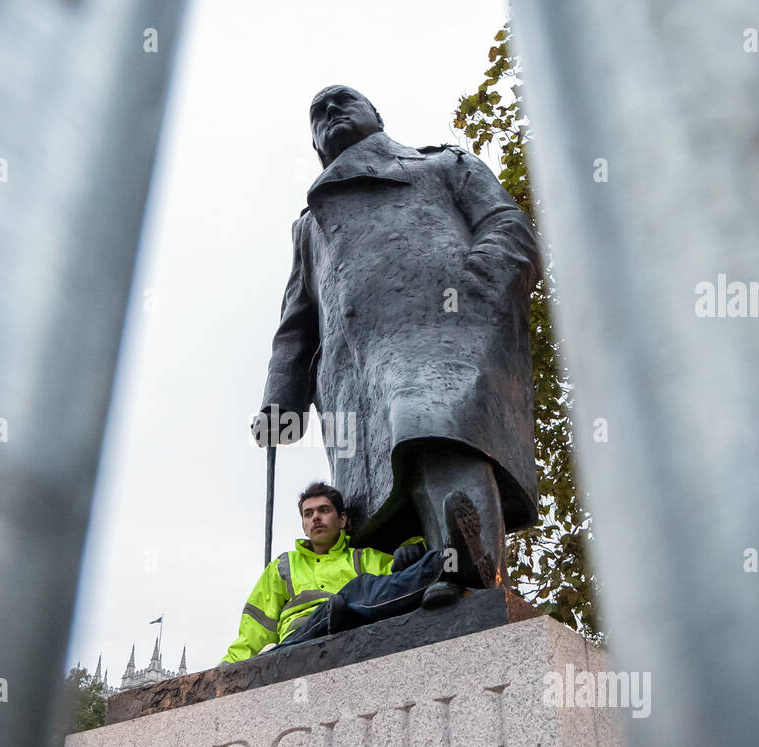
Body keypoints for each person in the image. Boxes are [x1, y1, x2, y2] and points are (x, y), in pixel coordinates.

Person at [251, 85, 542, 610]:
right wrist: (281, 399)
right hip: (353, 378)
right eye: (318, 114)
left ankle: (468, 564)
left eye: (343, 101)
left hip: (443, 335)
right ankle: (411, 586)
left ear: (376, 115)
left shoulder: (443, 166)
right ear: (316, 145)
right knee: (374, 503)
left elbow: (509, 227)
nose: (331, 113)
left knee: (434, 432)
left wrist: (475, 291)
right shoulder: (310, 224)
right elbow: (297, 321)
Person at [222, 481, 455, 662]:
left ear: (342, 519)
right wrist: (228, 667)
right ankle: (445, 564)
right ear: (303, 525)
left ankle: (449, 557)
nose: (316, 518)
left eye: (324, 510)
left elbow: (397, 583)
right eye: (308, 514)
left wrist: (413, 548)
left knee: (364, 588)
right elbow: (255, 627)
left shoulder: (363, 557)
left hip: (352, 627)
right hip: (300, 639)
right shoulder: (283, 566)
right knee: (349, 595)